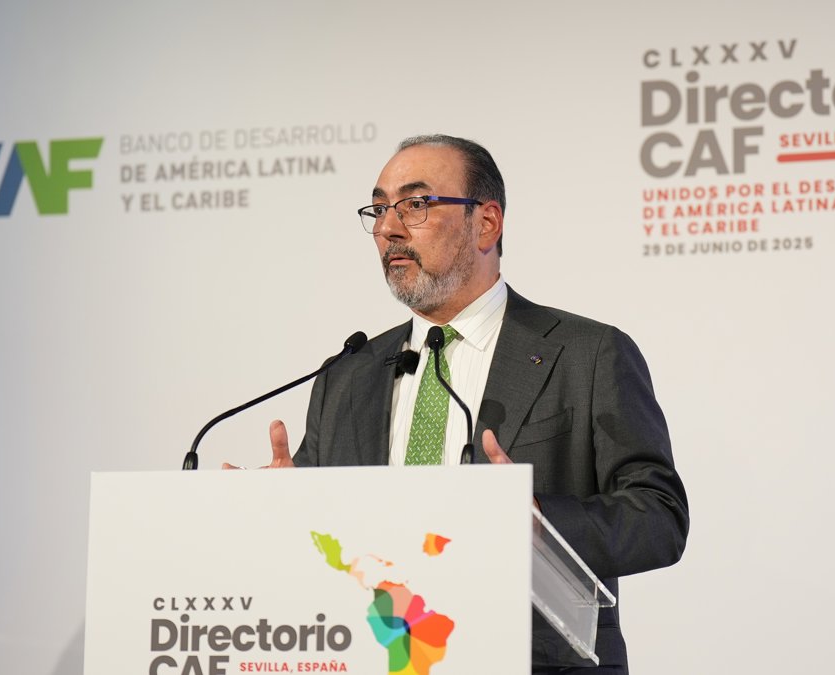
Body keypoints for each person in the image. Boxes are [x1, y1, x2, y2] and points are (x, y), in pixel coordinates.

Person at [227, 134, 689, 674]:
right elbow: (329, 541)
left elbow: (659, 517)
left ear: (486, 223)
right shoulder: (346, 376)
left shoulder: (586, 354)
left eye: (415, 204)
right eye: (379, 209)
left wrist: (543, 523)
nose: (388, 228)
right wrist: (281, 511)